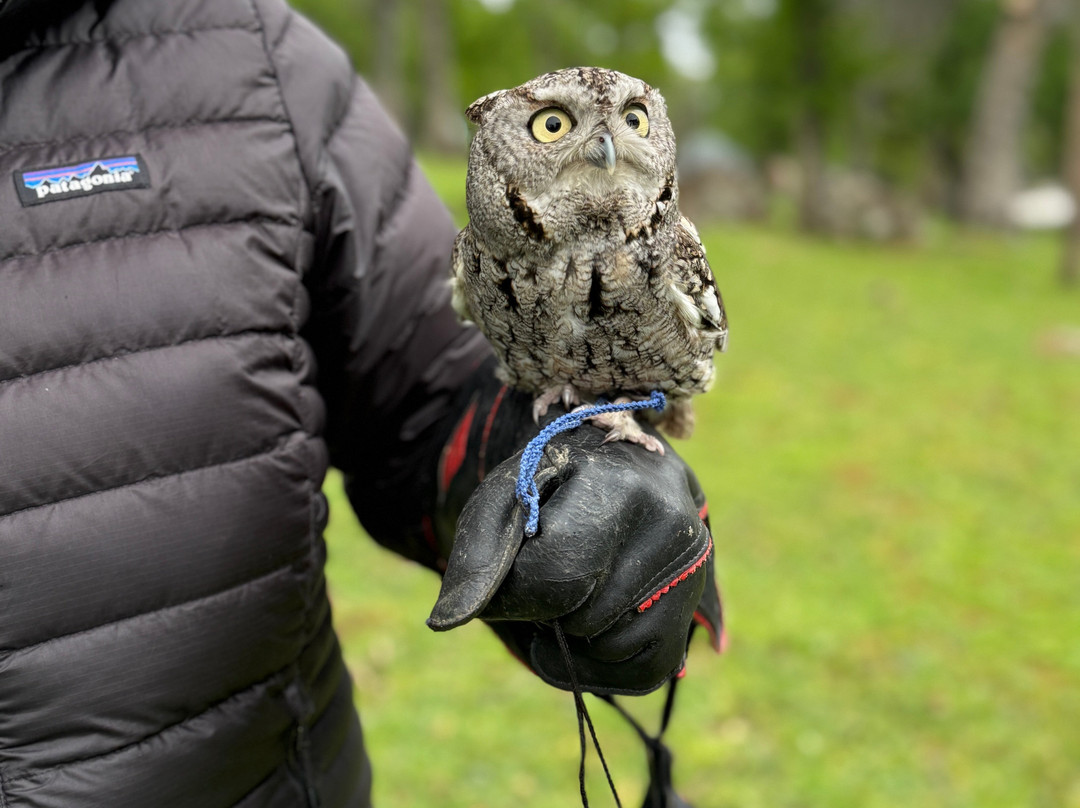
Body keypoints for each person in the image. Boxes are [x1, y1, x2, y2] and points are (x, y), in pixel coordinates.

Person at [0, 0, 723, 806]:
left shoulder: (255, 59)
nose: (602, 144)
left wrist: (547, 480)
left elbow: (424, 409)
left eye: (631, 122)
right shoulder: (481, 250)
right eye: (554, 127)